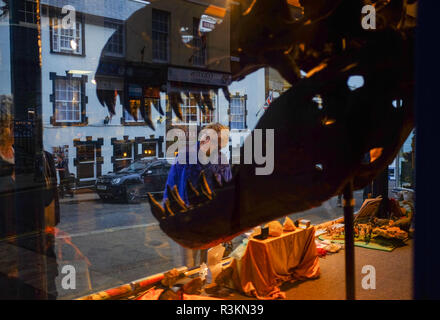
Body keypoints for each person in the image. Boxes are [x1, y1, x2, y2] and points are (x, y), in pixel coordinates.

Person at [163, 122, 232, 268]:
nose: (221, 147)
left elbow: (228, 191)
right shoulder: (186, 157)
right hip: (187, 221)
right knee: (188, 268)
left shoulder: (221, 159)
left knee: (210, 264)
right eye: (219, 143)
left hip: (212, 222)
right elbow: (171, 187)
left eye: (223, 143)